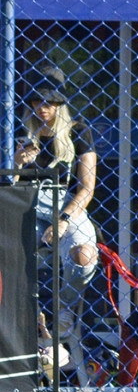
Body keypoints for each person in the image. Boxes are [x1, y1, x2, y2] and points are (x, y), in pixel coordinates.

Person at [14, 65, 98, 343]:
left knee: (84, 255)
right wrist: (16, 162)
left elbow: (87, 189)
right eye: (37, 101)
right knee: (12, 257)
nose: (43, 107)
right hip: (25, 204)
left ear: (60, 103)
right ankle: (31, 315)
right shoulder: (17, 129)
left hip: (65, 205)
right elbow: (8, 187)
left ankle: (64, 307)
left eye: (50, 101)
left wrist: (62, 219)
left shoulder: (78, 131)